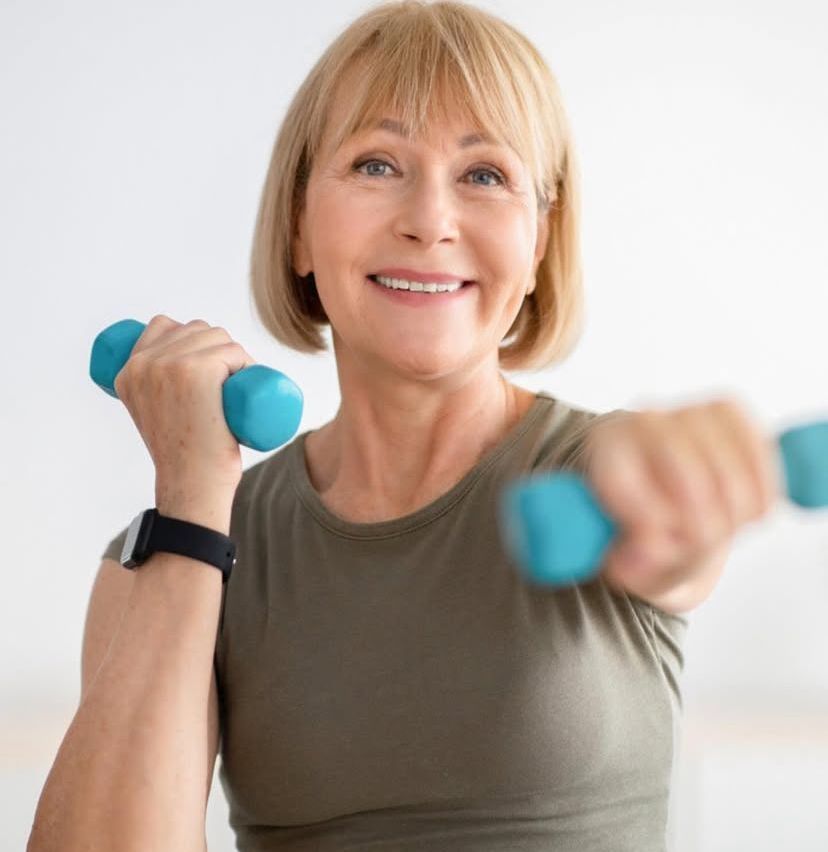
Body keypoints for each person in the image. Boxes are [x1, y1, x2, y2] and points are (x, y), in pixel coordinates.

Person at [31, 2, 716, 850]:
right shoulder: (175, 550)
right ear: (298, 228)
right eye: (377, 163)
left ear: (540, 240)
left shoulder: (606, 475)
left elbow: (678, 521)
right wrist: (194, 502)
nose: (429, 220)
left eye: (485, 175)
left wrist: (703, 489)